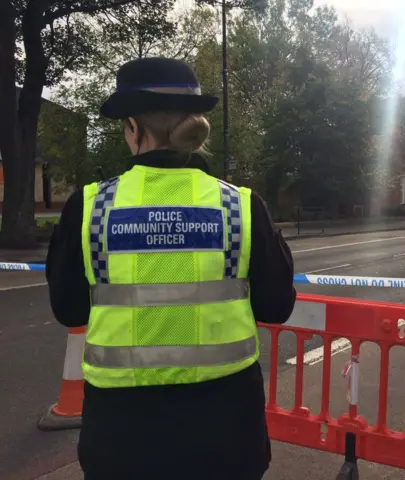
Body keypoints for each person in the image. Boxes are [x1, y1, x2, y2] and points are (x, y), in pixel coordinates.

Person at [45, 57, 296, 480]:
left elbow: (69, 310)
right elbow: (277, 306)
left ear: (133, 128)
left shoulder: (89, 208)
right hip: (227, 434)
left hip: (122, 439)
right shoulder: (241, 206)